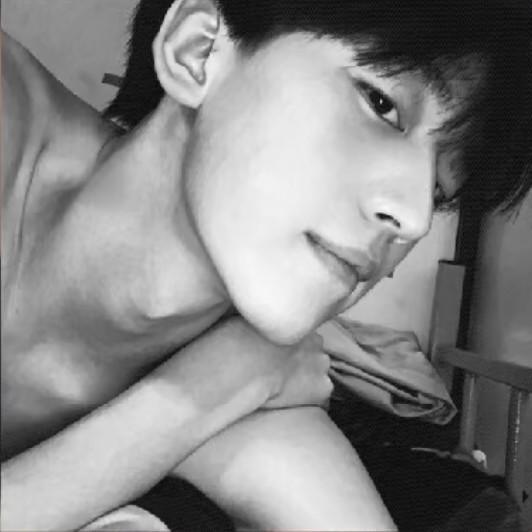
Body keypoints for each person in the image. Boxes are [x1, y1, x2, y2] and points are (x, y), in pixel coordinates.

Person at [2, 0, 531, 530]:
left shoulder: (259, 383)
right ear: (197, 50)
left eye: (439, 189)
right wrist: (190, 404)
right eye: (381, 104)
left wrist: (215, 390)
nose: (414, 218)